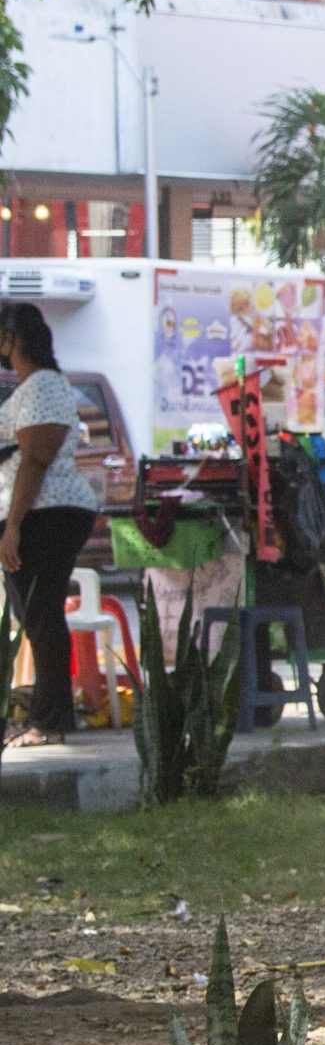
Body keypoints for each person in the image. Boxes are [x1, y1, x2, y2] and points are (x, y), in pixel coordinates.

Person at [0, 304, 101, 748]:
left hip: (47, 512)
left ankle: (51, 718)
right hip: (39, 511)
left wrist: (14, 527)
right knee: (34, 615)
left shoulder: (42, 385)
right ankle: (48, 714)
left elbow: (36, 460)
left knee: (40, 616)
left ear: (14, 341)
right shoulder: (34, 386)